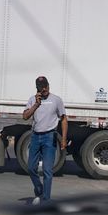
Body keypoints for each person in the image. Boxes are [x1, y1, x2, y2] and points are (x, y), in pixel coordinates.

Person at [22, 76, 68, 205]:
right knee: (31, 168)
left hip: (50, 137)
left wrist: (63, 139)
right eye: (41, 87)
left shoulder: (57, 100)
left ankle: (46, 201)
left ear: (49, 85)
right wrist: (36, 105)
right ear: (37, 88)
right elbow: (25, 116)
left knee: (48, 170)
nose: (45, 89)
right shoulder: (32, 100)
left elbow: (64, 119)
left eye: (46, 85)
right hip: (35, 137)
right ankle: (39, 189)